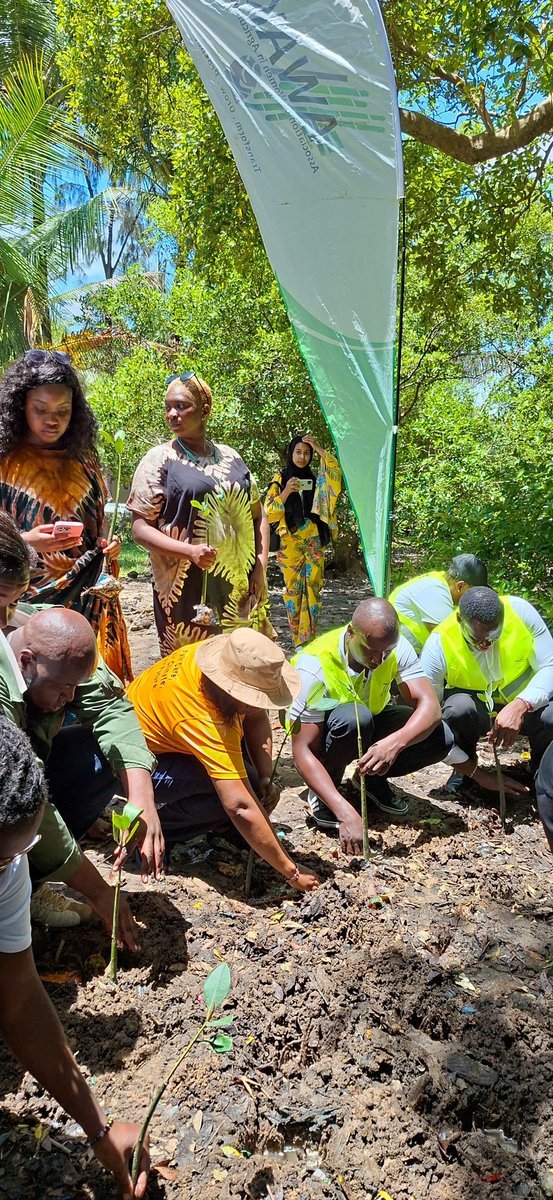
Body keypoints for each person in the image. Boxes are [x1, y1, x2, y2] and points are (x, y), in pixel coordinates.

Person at [0, 717, 150, 1199]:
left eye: (8, 860)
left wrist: (99, 1129)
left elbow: (20, 997)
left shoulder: (9, 857)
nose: (4, 871)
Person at [0, 606, 164, 928]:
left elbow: (109, 704)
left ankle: (33, 878)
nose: (72, 696)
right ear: (26, 661)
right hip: (7, 798)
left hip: (28, 778)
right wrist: (98, 890)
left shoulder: (57, 641)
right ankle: (20, 887)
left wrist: (142, 798)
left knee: (100, 754)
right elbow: (23, 800)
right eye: (63, 688)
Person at [127, 627, 320, 892]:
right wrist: (291, 871)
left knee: (250, 781)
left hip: (169, 739)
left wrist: (265, 776)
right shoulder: (206, 720)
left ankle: (225, 830)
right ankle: (151, 837)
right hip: (135, 763)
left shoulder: (220, 663)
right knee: (225, 798)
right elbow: (239, 805)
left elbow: (255, 714)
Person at [0, 348, 132, 683]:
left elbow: (98, 517)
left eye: (63, 410)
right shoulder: (4, 463)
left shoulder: (84, 458)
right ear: (20, 408)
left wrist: (109, 542)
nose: (52, 420)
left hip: (89, 595)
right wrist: (25, 542)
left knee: (92, 685)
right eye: (40, 409)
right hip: (25, 601)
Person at [290, 598, 452, 854]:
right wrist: (345, 812)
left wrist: (394, 744)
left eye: (385, 652)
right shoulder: (313, 665)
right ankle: (326, 795)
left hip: (373, 721)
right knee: (355, 719)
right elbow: (302, 750)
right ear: (351, 633)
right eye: (370, 650)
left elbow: (431, 707)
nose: (379, 659)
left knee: (439, 736)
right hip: (333, 733)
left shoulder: (395, 647)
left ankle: (370, 782)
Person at [127, 371, 271, 656]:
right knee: (191, 666)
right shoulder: (160, 460)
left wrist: (260, 567)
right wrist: (188, 551)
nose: (172, 414)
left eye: (181, 406)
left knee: (240, 664)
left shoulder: (232, 458)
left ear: (205, 411)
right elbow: (140, 528)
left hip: (240, 586)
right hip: (187, 590)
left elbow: (259, 515)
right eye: (168, 407)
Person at [420, 585, 553, 797]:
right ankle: (465, 772)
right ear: (459, 620)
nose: (487, 645)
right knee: (457, 709)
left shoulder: (520, 612)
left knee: (551, 714)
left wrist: (521, 704)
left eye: (494, 636)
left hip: (523, 710)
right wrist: (478, 774)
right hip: (476, 715)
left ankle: (542, 775)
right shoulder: (438, 645)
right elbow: (428, 715)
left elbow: (550, 664)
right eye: (477, 639)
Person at [265, 434, 342, 646]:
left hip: (313, 540)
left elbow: (335, 472)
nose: (302, 457)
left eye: (306, 453)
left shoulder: (318, 478)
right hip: (290, 543)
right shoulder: (280, 478)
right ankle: (297, 639)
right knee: (293, 591)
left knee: (314, 590)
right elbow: (269, 512)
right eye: (298, 452)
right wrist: (287, 492)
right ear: (291, 453)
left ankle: (309, 638)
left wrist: (317, 447)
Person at [389, 553, 488, 652]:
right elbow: (448, 639)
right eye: (474, 592)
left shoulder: (440, 580)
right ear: (460, 586)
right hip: (395, 654)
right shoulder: (435, 590)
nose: (474, 598)